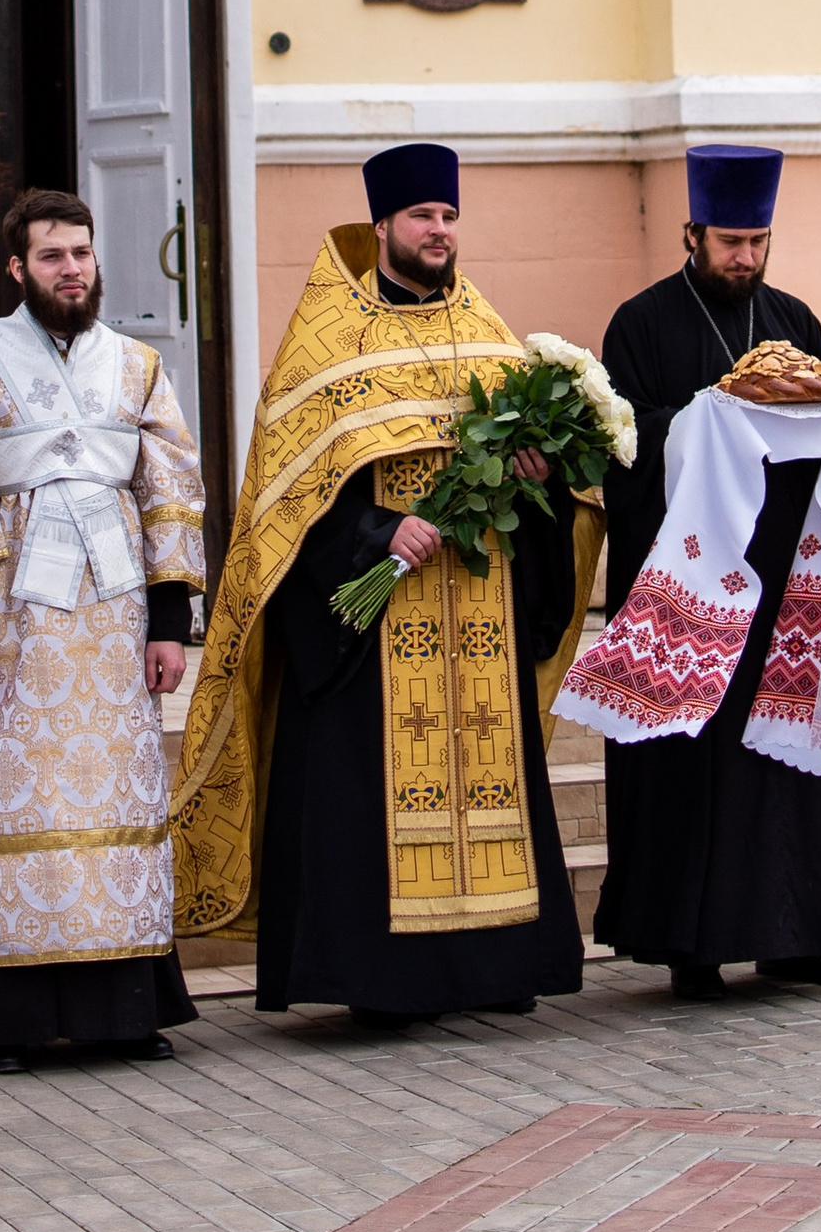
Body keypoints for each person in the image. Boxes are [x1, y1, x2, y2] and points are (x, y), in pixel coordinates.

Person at [170, 142, 592, 1028]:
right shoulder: (328, 341)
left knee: (489, 769)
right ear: (382, 228)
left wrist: (538, 472)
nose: (438, 233)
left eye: (447, 218)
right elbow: (283, 501)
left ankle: (494, 962)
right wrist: (373, 531)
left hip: (478, 604)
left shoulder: (487, 332)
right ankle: (382, 981)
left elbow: (547, 483)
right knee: (369, 792)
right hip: (371, 616)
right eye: (421, 219)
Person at [579, 145, 821, 999]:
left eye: (758, 241)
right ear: (692, 232)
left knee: (800, 772)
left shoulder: (794, 319)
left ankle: (806, 934)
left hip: (792, 594)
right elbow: (622, 446)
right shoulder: (641, 322)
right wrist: (714, 422)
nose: (746, 257)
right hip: (697, 588)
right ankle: (692, 947)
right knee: (696, 776)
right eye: (731, 240)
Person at [0, 187, 206, 1075]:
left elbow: (171, 495)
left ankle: (123, 1014)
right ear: (16, 266)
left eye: (83, 253)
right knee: (19, 799)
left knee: (114, 804)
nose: (72, 270)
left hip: (113, 633)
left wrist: (170, 624)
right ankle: (8, 1021)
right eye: (53, 256)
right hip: (11, 626)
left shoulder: (139, 368)